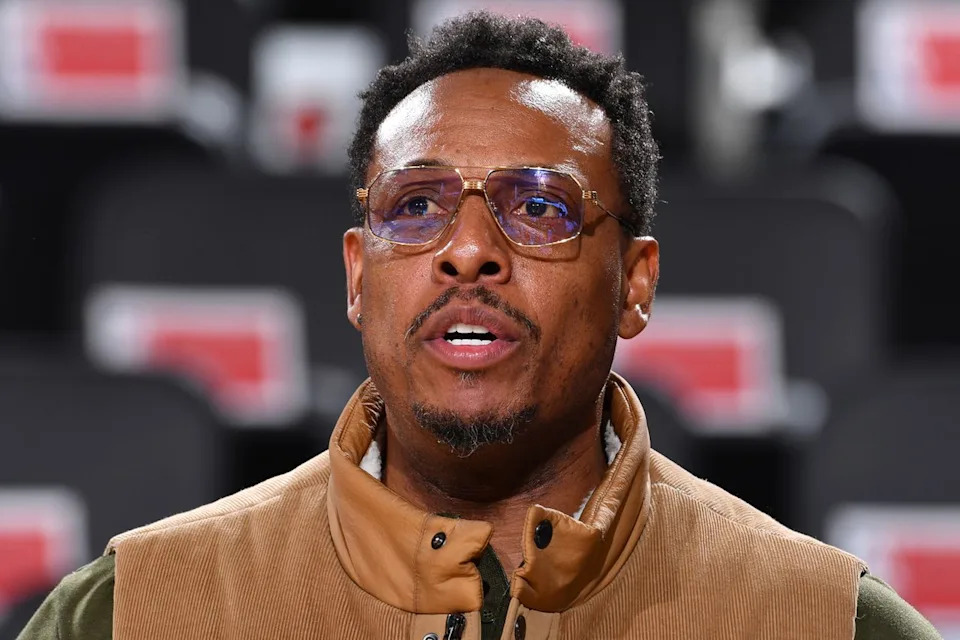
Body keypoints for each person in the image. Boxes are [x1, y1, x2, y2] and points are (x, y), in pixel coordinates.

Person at [18, 12, 941, 640]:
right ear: (358, 276)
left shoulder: (829, 623)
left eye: (538, 208)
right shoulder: (128, 615)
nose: (467, 251)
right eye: (415, 205)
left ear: (635, 284)